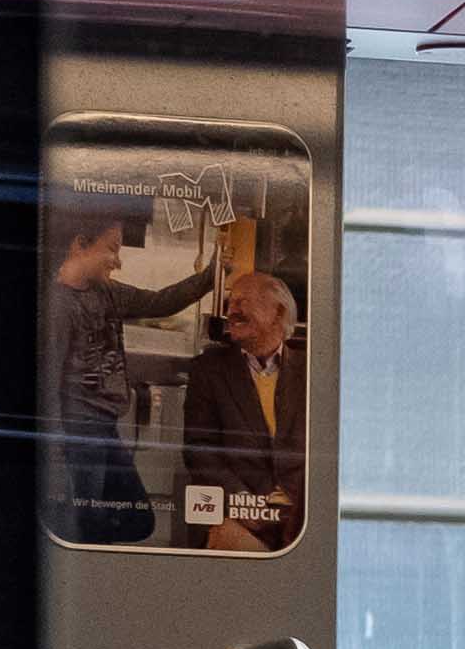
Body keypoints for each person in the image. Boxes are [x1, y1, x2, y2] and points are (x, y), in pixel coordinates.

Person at [43, 198, 157, 546]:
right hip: (80, 430)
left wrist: (207, 277)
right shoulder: (57, 304)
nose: (118, 261)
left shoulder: (100, 293)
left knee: (137, 519)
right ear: (79, 245)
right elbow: (48, 378)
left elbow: (159, 301)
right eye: (111, 249)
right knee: (86, 526)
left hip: (102, 426)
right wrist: (57, 441)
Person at [174, 256, 308, 552]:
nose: (231, 310)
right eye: (231, 301)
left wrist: (297, 510)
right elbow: (200, 450)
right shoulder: (209, 369)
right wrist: (244, 503)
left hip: (301, 518)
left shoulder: (312, 372)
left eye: (243, 301)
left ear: (278, 313)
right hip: (238, 514)